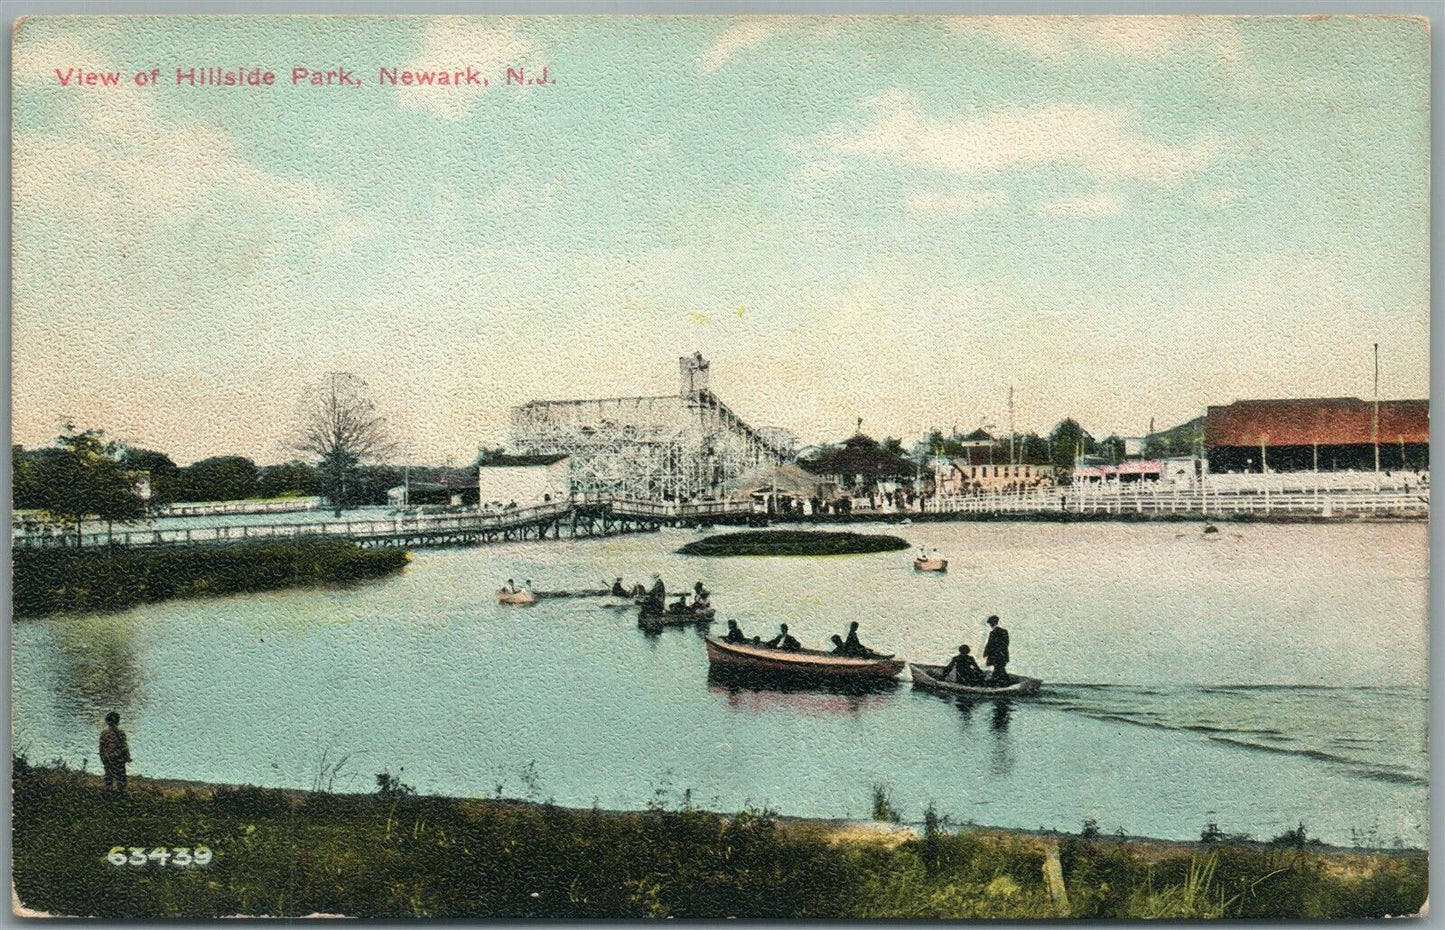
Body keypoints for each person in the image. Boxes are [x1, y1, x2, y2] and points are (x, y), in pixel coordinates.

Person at [99, 712, 130, 792]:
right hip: (118, 758)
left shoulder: (104, 734)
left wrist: (103, 758)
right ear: (118, 721)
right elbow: (124, 747)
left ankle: (109, 793)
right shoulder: (121, 733)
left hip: (108, 758)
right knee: (120, 777)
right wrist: (127, 757)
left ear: (107, 722)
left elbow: (101, 748)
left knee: (109, 776)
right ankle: (120, 794)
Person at [983, 615, 1011, 684]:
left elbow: (990, 644)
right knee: (1000, 668)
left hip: (995, 655)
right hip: (1003, 654)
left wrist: (986, 653)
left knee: (998, 668)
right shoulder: (1004, 631)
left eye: (990, 623)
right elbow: (1006, 643)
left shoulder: (993, 632)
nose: (990, 625)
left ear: (992, 623)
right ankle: (1004, 681)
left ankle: (998, 682)